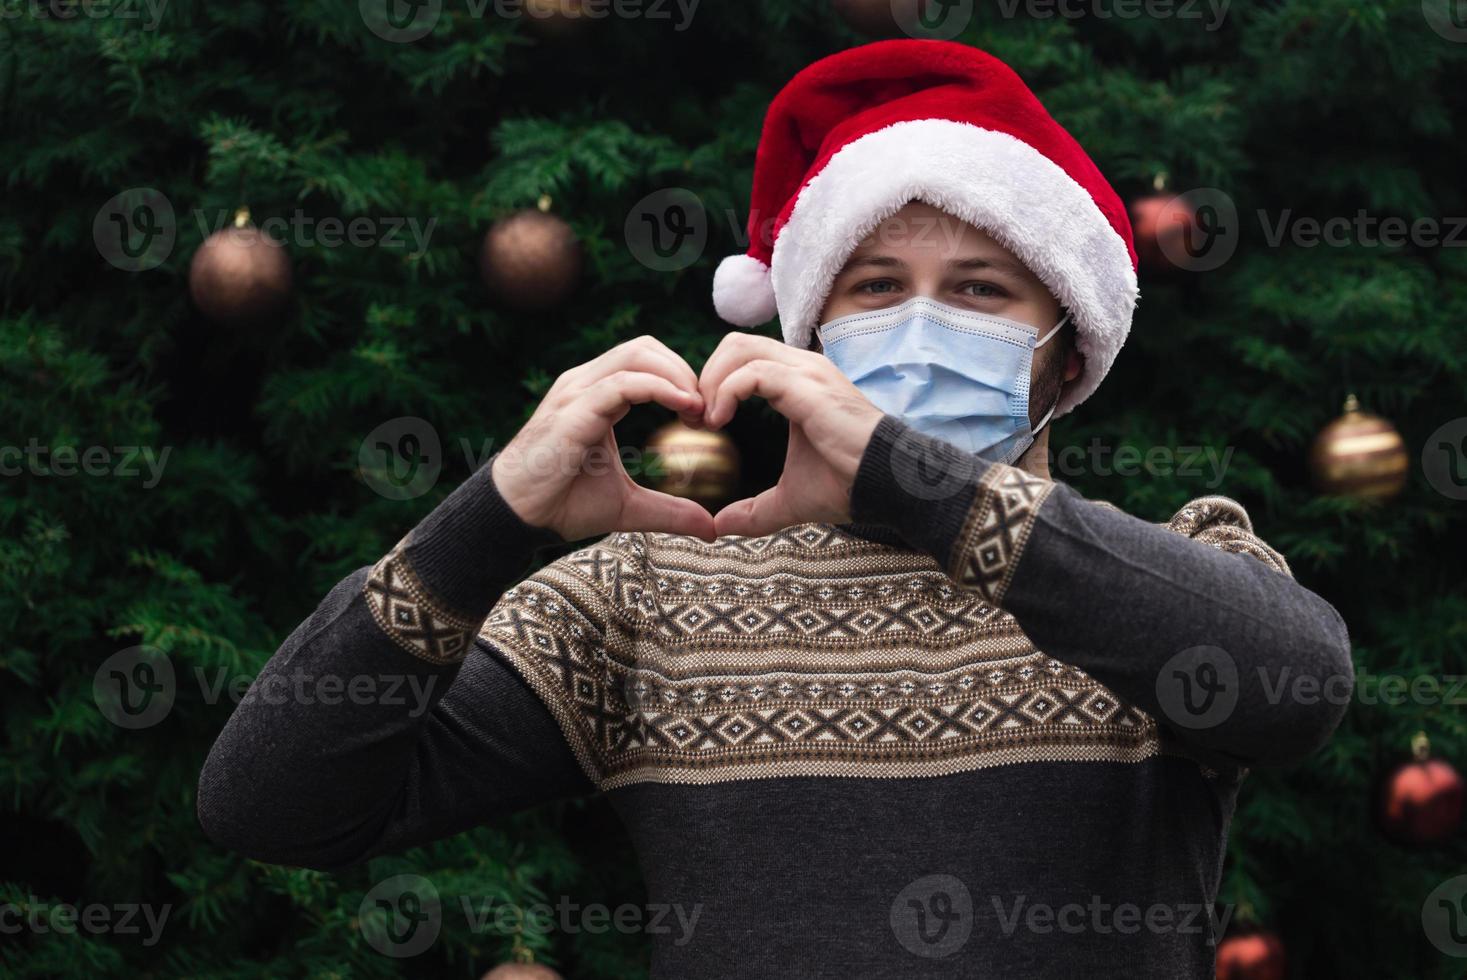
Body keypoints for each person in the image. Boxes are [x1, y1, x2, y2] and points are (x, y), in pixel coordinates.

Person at [198, 40, 1353, 978]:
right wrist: (491, 516)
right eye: (877, 289)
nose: (918, 326)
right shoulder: (649, 598)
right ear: (810, 333)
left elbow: (1296, 684)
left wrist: (918, 485)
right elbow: (272, 803)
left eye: (981, 291)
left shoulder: (1164, 571)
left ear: (1066, 354)